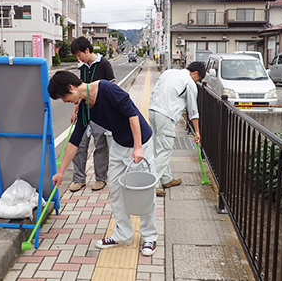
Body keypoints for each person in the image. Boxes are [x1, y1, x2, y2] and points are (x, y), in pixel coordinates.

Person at [48, 71, 158, 256]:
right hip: (118, 144)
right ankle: (122, 234)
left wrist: (138, 147)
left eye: (63, 97)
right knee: (115, 192)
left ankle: (150, 237)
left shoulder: (107, 89)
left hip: (140, 143)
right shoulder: (84, 108)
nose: (65, 101)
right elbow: (75, 140)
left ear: (70, 87)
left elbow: (132, 115)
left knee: (143, 193)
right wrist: (61, 171)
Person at [149, 61, 206, 197]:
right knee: (165, 149)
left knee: (158, 147)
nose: (197, 82)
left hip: (153, 111)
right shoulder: (190, 83)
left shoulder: (168, 72)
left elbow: (154, 91)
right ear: (195, 73)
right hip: (166, 116)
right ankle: (152, 184)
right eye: (199, 79)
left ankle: (166, 179)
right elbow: (193, 111)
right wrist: (197, 131)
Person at [69, 36, 116, 192]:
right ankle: (79, 179)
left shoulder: (104, 64)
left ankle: (100, 178)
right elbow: (80, 91)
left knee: (100, 145)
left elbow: (113, 88)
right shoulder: (83, 67)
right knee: (79, 144)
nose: (78, 58)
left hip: (100, 113)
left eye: (78, 54)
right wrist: (75, 109)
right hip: (84, 111)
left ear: (87, 50)